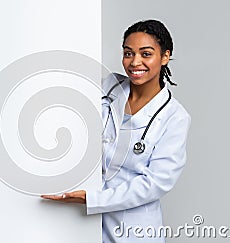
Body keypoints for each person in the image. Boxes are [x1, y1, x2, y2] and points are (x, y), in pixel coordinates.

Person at [41, 19, 191, 242]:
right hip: (81, 221)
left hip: (133, 229)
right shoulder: (108, 86)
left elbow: (155, 183)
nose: (134, 62)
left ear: (165, 56)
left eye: (146, 54)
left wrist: (93, 199)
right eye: (128, 53)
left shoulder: (175, 117)